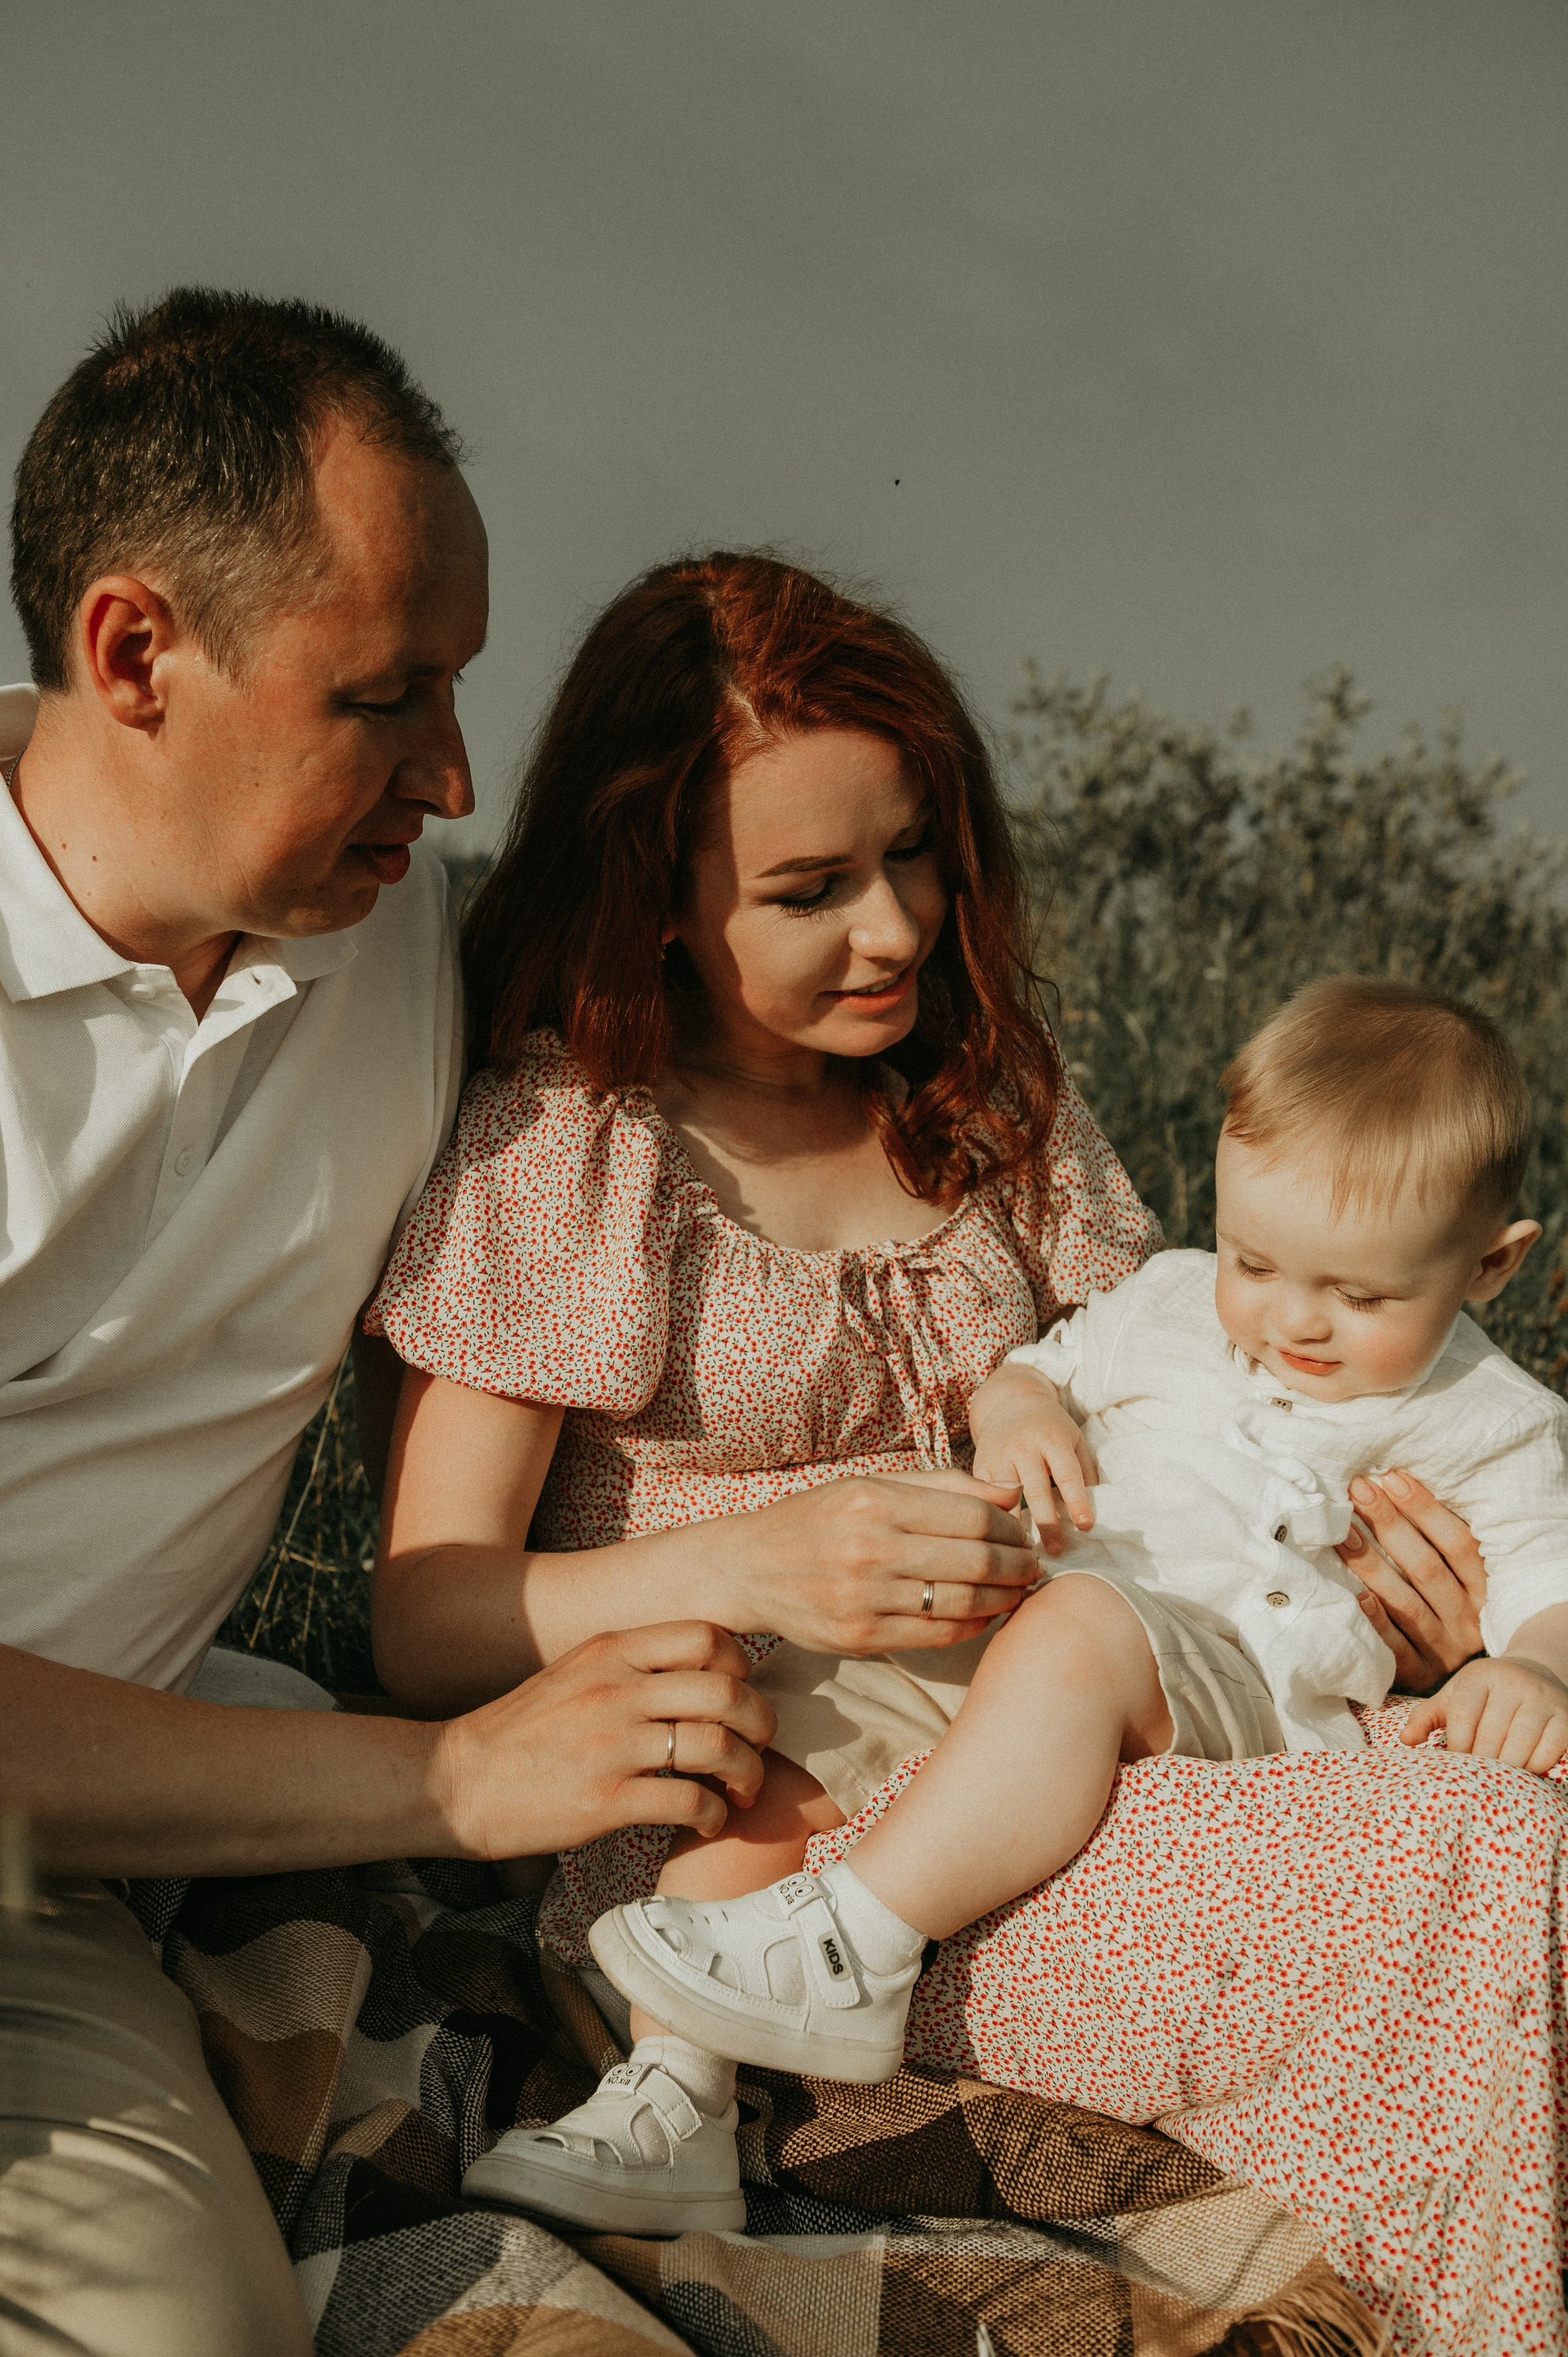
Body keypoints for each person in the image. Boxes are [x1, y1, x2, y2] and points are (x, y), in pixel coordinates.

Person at [366, 555, 1491, 2246]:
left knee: (1484, 1815)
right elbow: (426, 1618)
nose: (895, 926)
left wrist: (1387, 1605)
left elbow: (1219, 1408)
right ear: (653, 892)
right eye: (811, 887)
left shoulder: (982, 1104)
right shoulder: (576, 1150)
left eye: (912, 855)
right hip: (762, 1824)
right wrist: (749, 1564)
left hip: (1092, 1732)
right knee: (1450, 1887)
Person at [0, 292, 783, 2357]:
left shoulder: (406, 935)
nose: (448, 768)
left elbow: (807, 1066)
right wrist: (443, 1783)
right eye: (385, 695)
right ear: (134, 652)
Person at [589, 976, 1568, 2113]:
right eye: (1255, 1263)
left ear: (1492, 1265)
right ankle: (666, 2099)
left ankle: (855, 1945)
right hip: (1025, 1635)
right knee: (785, 1741)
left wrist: (1534, 1667)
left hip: (1218, 1686)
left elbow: (1549, 1578)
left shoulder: (1492, 1420)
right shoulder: (1171, 1299)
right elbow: (1043, 1367)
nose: (1292, 1320)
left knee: (1085, 1630)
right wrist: (1019, 1412)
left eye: (1358, 1296)